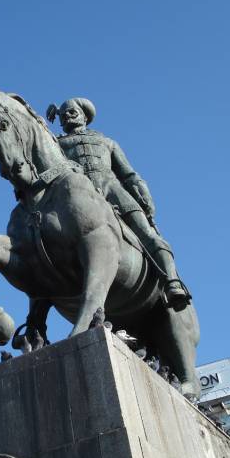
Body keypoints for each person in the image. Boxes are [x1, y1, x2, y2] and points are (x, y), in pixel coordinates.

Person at [46, 98, 190, 309]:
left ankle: (172, 282)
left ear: (85, 116)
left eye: (72, 111)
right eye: (64, 113)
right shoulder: (56, 144)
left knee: (147, 233)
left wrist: (142, 193)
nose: (67, 115)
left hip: (113, 189)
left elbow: (128, 174)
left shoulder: (107, 142)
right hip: (79, 194)